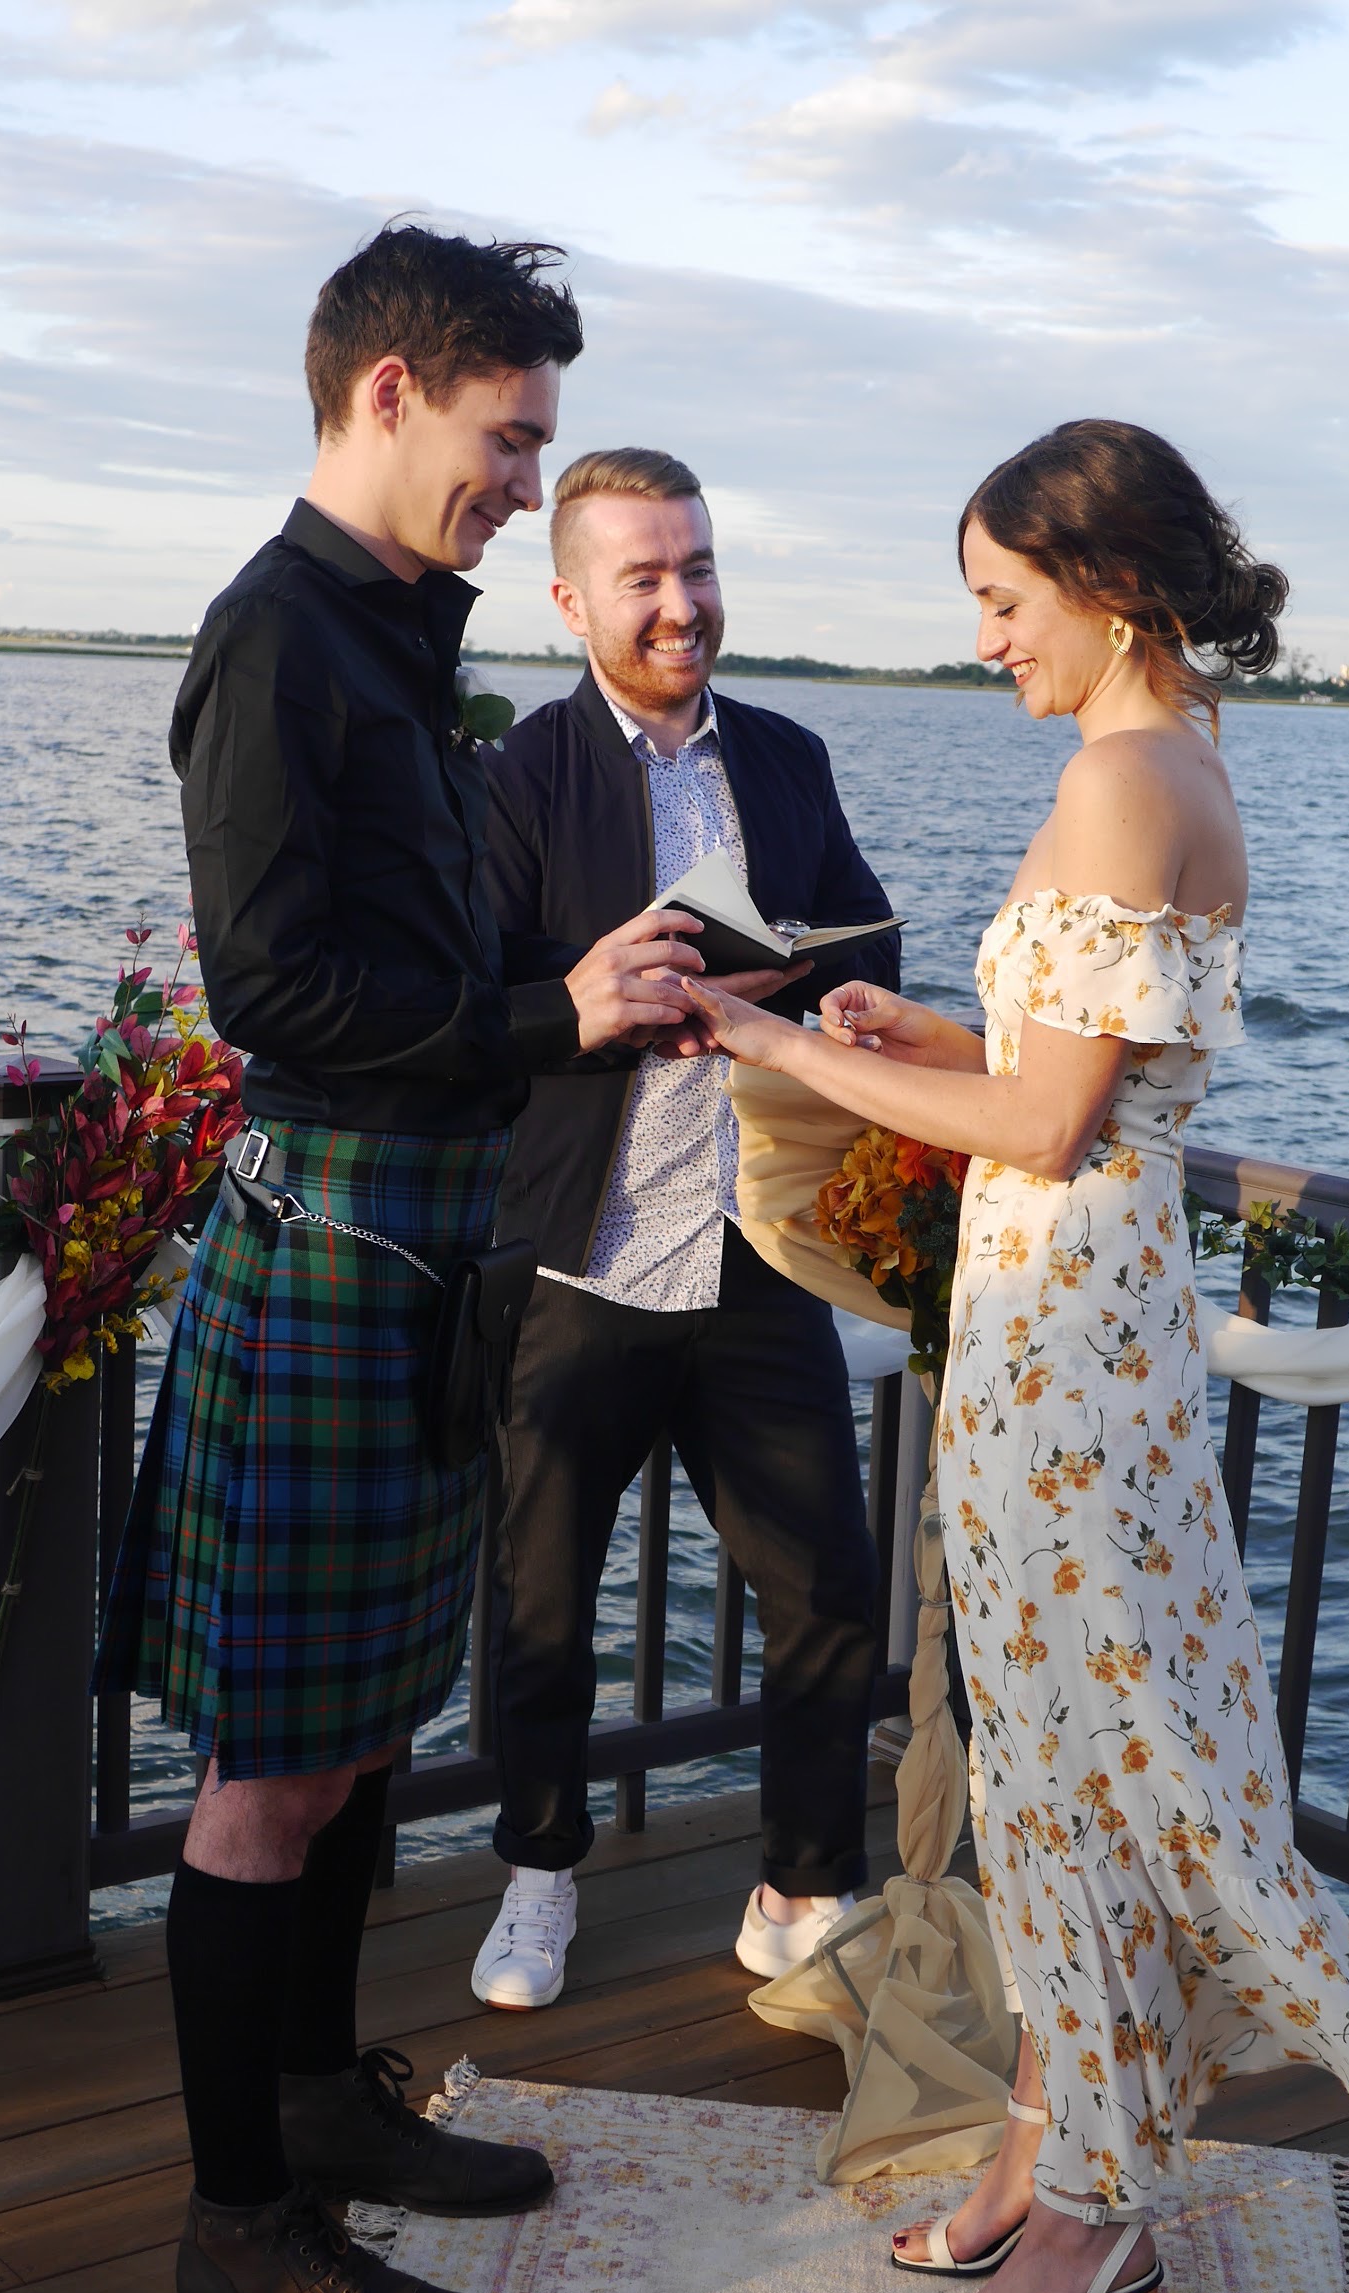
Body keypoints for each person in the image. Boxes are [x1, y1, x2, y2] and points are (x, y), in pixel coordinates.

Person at [678, 419, 1349, 2293]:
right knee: (1058, 1761)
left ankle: (1092, 2217)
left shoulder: (1129, 783)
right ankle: (1053, 2146)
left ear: (1106, 585)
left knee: (1075, 1776)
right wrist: (916, 1030)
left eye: (1001, 601)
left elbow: (1046, 1124)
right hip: (1084, 1312)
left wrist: (773, 1036)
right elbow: (1087, 1074)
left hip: (1071, 1333)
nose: (983, 639)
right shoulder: (1164, 755)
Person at [95, 229, 711, 2293]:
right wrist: (548, 1012)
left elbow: (415, 960)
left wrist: (584, 999)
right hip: (338, 1243)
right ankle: (238, 2224)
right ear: (386, 395)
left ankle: (321, 2096)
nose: (528, 483)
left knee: (356, 1741)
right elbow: (271, 991)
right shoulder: (279, 642)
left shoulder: (388, 636)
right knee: (273, 1776)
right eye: (508, 436)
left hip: (408, 1253)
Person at [464, 447, 901, 2010]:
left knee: (833, 1587)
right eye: (643, 577)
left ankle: (802, 1887)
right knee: (537, 1600)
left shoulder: (783, 755)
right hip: (582, 1249)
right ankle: (535, 1872)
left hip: (755, 1245)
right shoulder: (515, 773)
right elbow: (488, 999)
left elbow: (867, 926)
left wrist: (799, 980)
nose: (681, 603)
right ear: (572, 596)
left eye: (698, 567)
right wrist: (595, 993)